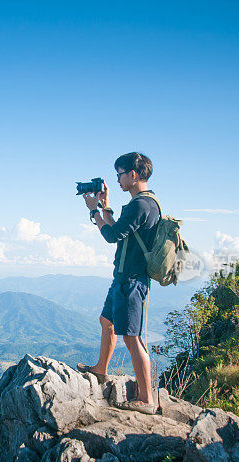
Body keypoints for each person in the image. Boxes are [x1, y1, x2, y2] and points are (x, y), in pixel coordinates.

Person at [78, 152, 160, 415]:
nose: (118, 179)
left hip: (132, 280)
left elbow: (112, 236)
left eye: (120, 174)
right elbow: (121, 230)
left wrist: (93, 211)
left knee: (132, 338)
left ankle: (146, 398)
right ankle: (101, 369)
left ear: (133, 174)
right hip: (123, 278)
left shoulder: (141, 205)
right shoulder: (142, 204)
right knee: (107, 321)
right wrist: (105, 206)